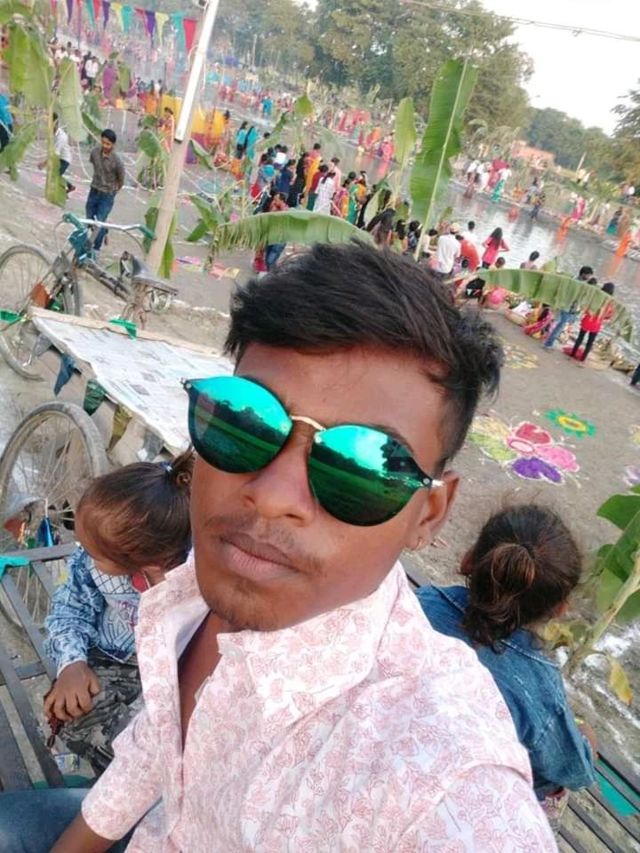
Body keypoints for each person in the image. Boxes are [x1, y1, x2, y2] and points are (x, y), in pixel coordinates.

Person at [6, 242, 555, 852]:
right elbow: (150, 753)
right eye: (245, 423)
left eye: (364, 468)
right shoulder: (190, 590)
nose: (271, 497)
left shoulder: (441, 777)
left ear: (427, 514)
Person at [416, 505, 596, 830]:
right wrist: (588, 742)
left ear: (469, 559)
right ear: (559, 609)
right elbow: (574, 771)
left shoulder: (421, 603)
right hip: (466, 802)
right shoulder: (539, 688)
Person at [43, 452, 193, 776]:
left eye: (96, 553)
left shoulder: (196, 579)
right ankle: (131, 768)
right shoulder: (93, 561)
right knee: (72, 713)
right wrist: (72, 664)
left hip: (174, 676)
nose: (84, 553)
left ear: (141, 559)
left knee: (171, 743)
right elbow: (69, 607)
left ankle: (140, 772)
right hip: (112, 659)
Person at [85, 129, 125, 252]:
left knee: (99, 223)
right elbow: (94, 165)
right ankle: (104, 231)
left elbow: (121, 180)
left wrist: (112, 192)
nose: (105, 146)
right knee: (89, 219)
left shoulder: (117, 162)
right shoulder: (95, 153)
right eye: (103, 142)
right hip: (94, 190)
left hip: (107, 195)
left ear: (113, 145)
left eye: (108, 144)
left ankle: (95, 249)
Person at [544, 266, 595, 350]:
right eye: (588, 275)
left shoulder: (581, 283)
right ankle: (548, 344)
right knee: (560, 326)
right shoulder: (574, 282)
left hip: (572, 309)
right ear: (583, 274)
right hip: (567, 307)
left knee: (561, 326)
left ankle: (549, 342)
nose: (589, 277)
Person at [570, 282, 615, 364]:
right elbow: (608, 316)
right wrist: (602, 316)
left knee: (580, 338)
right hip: (596, 324)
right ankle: (582, 359)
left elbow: (587, 307)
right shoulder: (609, 302)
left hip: (587, 320)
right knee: (590, 342)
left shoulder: (595, 297)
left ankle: (572, 354)